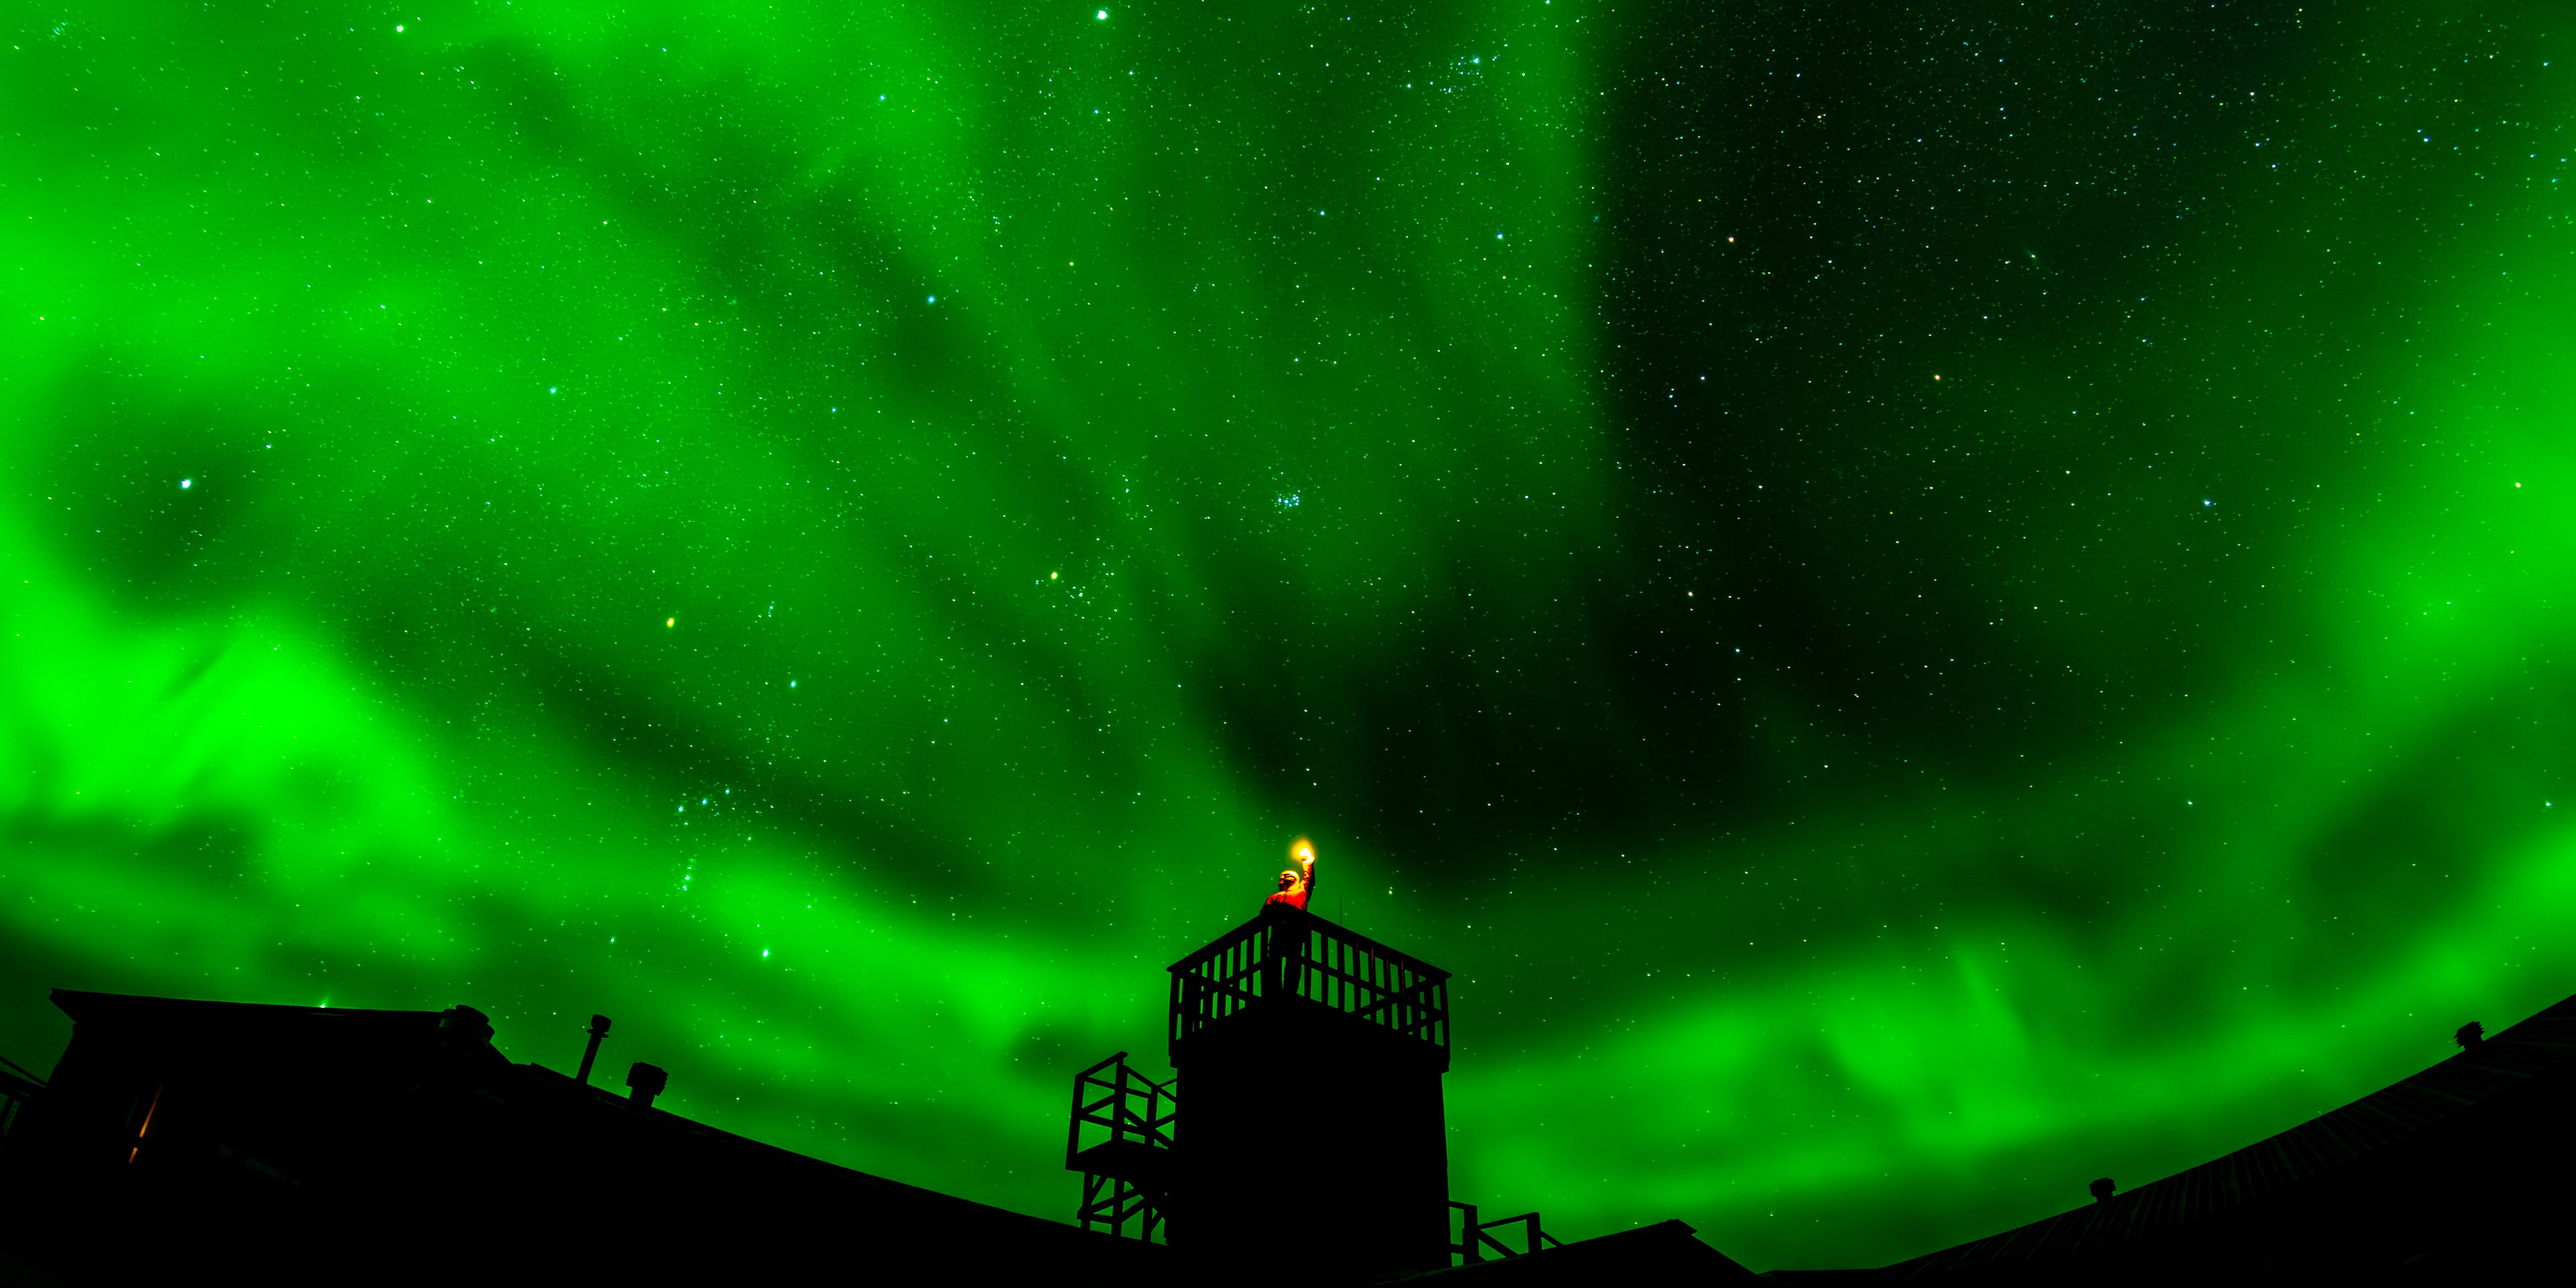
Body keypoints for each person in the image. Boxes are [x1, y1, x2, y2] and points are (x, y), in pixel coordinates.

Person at [1265, 837, 1318, 912]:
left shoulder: (1301, 892)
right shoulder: (1274, 897)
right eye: (1283, 878)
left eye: (1287, 876)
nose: (1285, 878)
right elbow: (1265, 913)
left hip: (1297, 922)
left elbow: (1309, 880)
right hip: (1279, 923)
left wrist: (1307, 862)